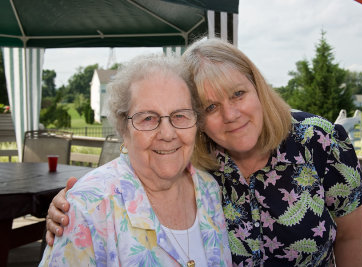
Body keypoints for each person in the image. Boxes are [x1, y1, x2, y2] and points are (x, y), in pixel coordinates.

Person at [46, 38, 362, 266]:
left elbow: (352, 238)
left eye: (238, 94)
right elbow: (130, 174)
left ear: (258, 87)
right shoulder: (195, 162)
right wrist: (76, 207)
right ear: (199, 120)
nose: (230, 115)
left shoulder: (317, 139)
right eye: (211, 106)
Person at [39, 54, 232, 266]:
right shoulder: (87, 208)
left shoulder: (209, 190)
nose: (167, 134)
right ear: (124, 129)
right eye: (148, 118)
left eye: (180, 115)